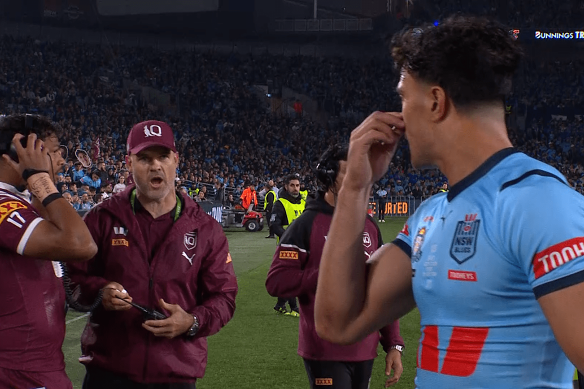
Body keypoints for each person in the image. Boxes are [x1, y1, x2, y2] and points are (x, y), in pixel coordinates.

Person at [315, 15, 584, 389]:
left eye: (404, 98)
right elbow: (336, 322)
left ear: (436, 101)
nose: (399, 116)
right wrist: (355, 189)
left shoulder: (537, 202)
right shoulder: (431, 215)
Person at [68, 120, 238, 388]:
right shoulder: (101, 219)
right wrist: (101, 291)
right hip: (108, 373)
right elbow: (72, 281)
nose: (155, 165)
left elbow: (224, 297)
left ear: (176, 160)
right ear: (128, 163)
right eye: (144, 158)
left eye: (163, 156)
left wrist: (192, 322)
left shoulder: (206, 229)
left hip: (176, 374)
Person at [266, 144, 405, 389]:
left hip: (365, 348)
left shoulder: (370, 226)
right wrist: (324, 276)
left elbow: (382, 290)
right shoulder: (306, 224)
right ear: (328, 178)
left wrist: (393, 343)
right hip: (324, 349)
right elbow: (276, 281)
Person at [0, 113, 97, 389]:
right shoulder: (1, 204)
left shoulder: (16, 201)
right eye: (54, 152)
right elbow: (81, 245)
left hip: (32, 367)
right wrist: (41, 178)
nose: (63, 160)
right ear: (18, 152)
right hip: (18, 372)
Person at [270, 173, 306, 316]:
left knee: (292, 277)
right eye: (292, 185)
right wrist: (289, 237)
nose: (295, 188)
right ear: (286, 186)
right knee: (293, 277)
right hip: (287, 246)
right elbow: (274, 225)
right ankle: (294, 307)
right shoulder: (280, 203)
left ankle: (280, 304)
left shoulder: (304, 202)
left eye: (297, 185)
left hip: (303, 245)